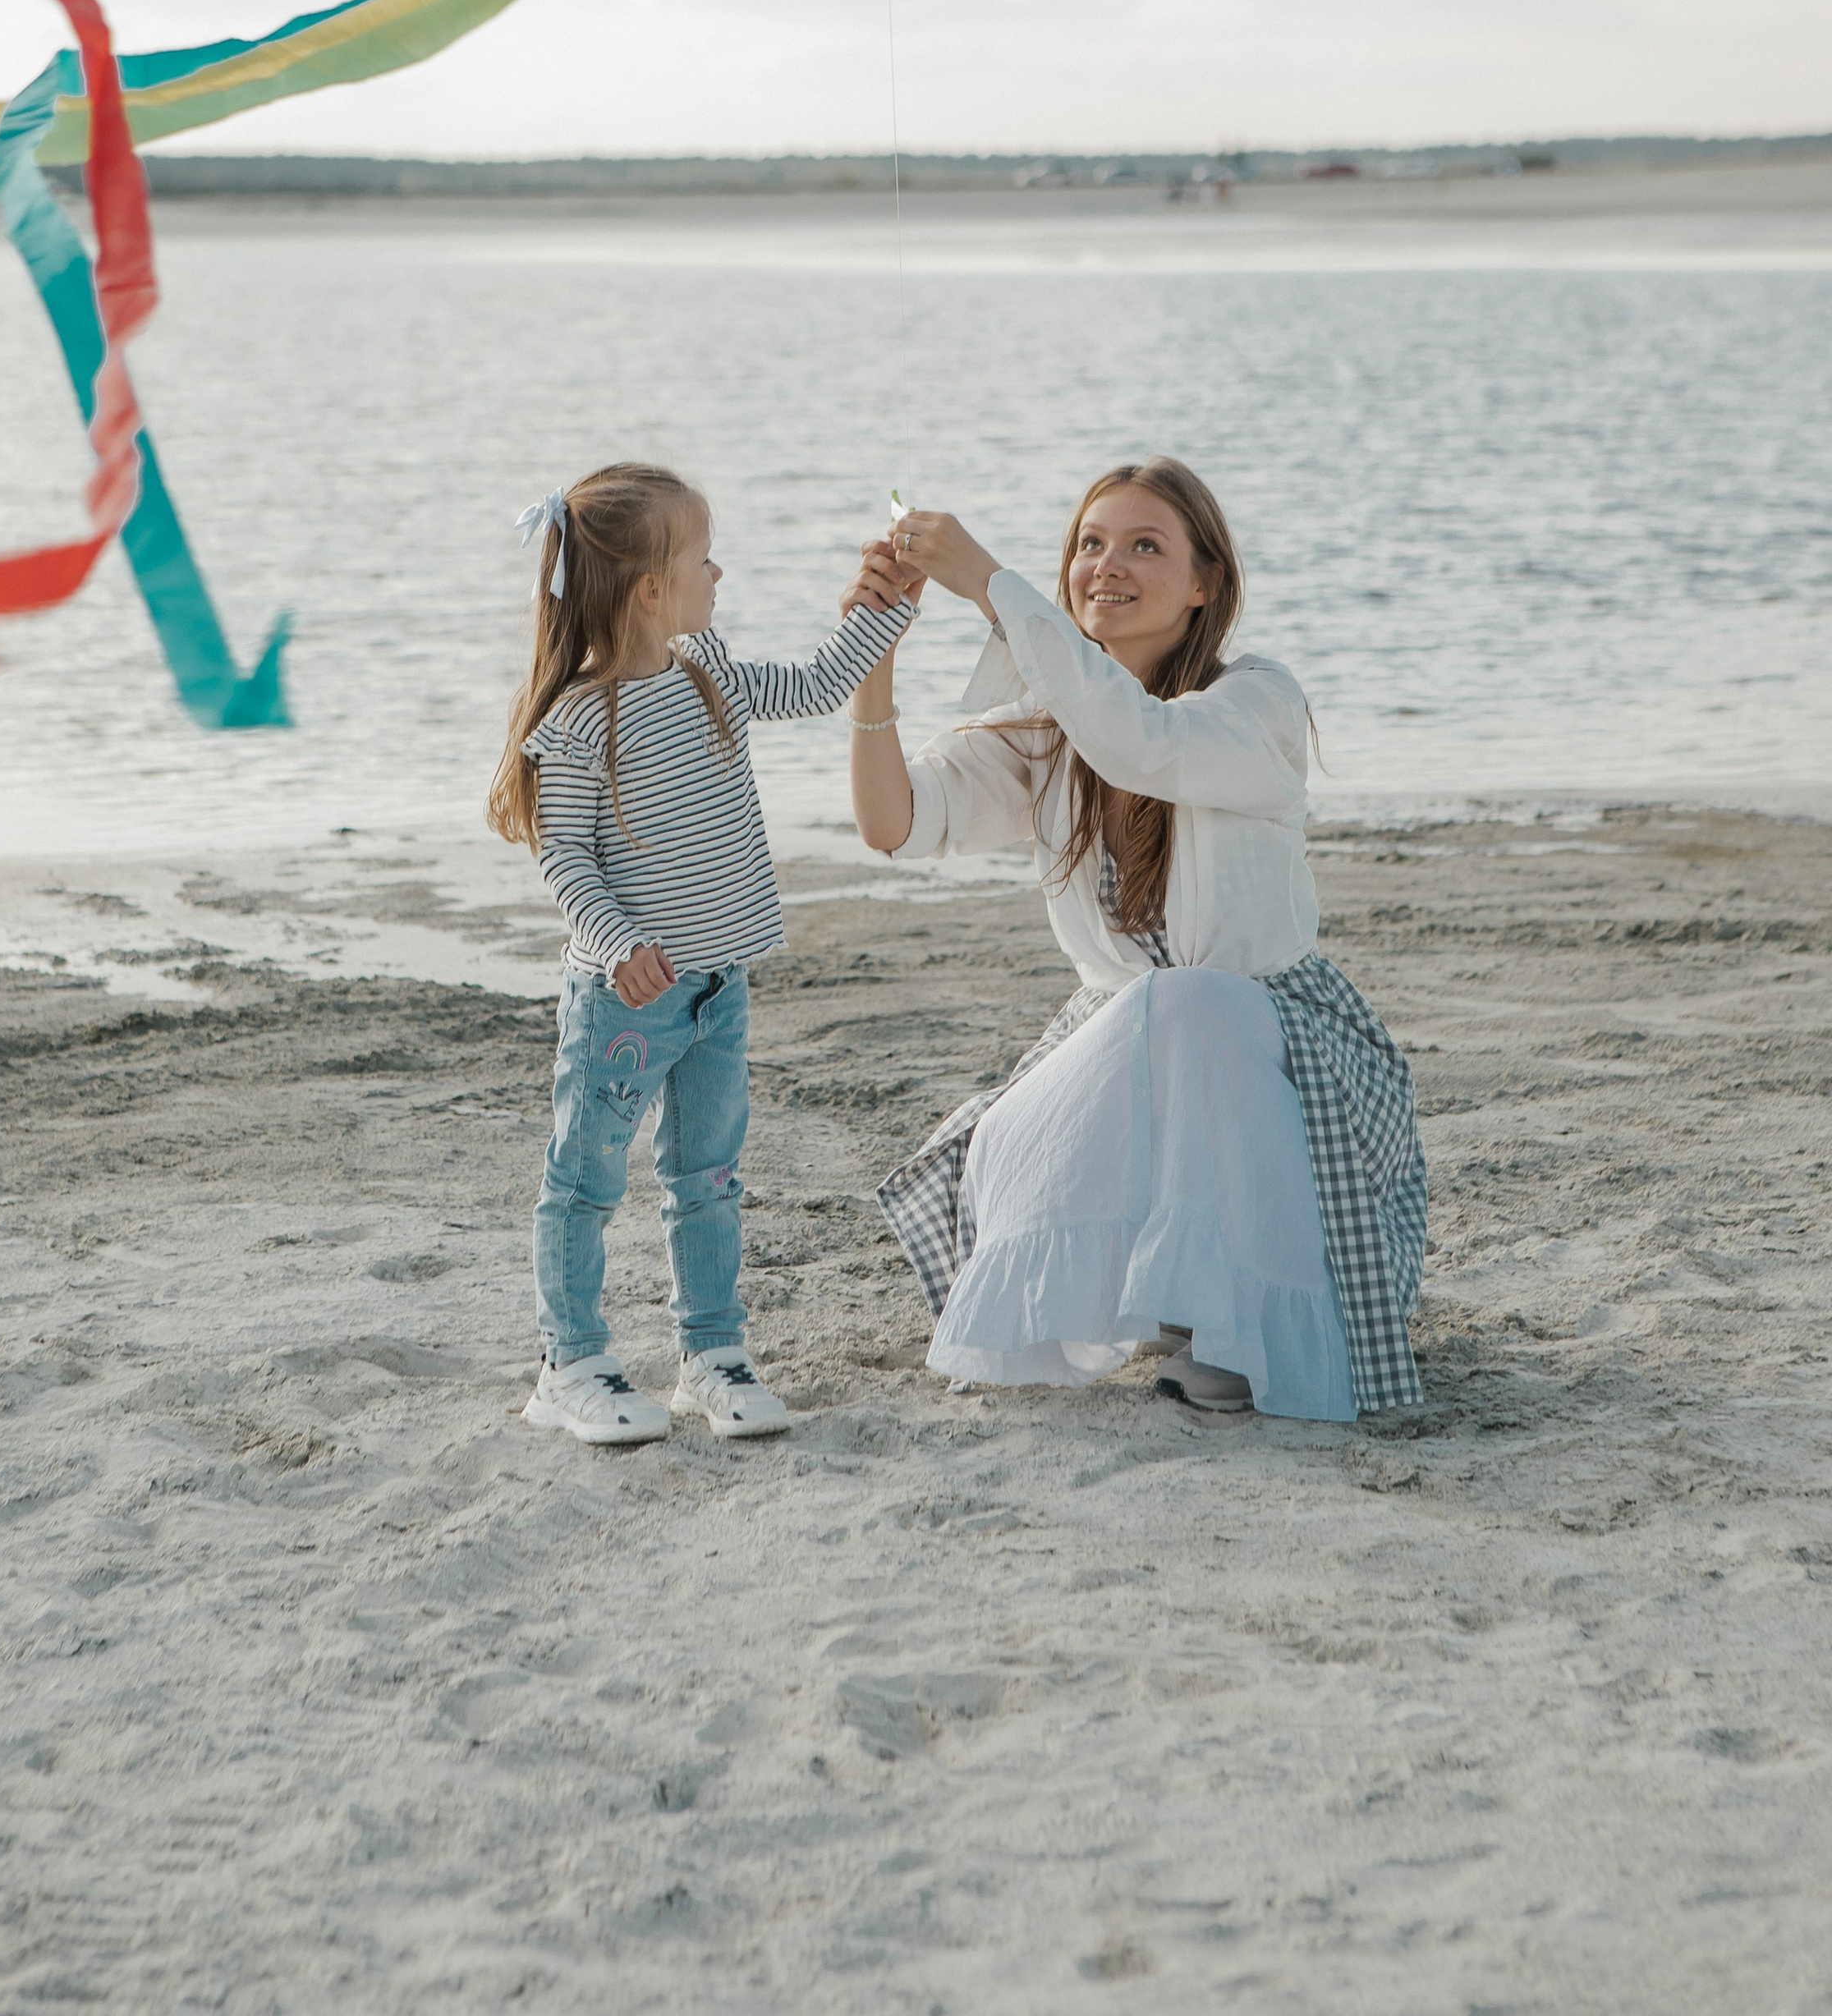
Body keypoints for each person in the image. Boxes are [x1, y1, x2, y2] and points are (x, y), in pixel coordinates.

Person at [847, 461, 1426, 1421]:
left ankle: (1227, 1322)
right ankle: (1158, 1294)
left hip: (1278, 1050)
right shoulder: (1048, 728)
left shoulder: (1258, 704)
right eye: (1088, 544)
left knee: (1191, 1002)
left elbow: (1142, 743)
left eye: (1144, 546)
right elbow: (894, 823)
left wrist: (990, 580)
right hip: (1119, 1038)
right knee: (1012, 1125)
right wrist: (876, 653)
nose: (1105, 567)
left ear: (1204, 584)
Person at [488, 462, 914, 1446]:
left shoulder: (707, 671)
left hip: (720, 988)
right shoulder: (578, 722)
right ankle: (571, 1362)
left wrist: (883, 611)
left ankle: (711, 1355)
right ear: (649, 589)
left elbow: (812, 684)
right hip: (625, 1002)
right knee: (586, 1177)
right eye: (702, 558)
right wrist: (619, 941)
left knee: (708, 1176)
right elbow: (566, 859)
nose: (717, 574)